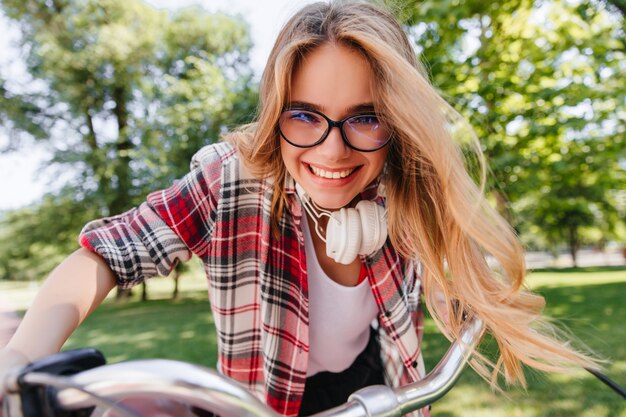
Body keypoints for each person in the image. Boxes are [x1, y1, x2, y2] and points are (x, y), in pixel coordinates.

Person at [0, 1, 597, 416]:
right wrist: (21, 359)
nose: (332, 150)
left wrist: (477, 295)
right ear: (276, 114)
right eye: (305, 115)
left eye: (364, 117)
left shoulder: (405, 191)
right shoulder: (229, 183)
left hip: (376, 387)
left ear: (397, 124)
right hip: (263, 400)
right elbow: (105, 257)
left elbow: (458, 279)